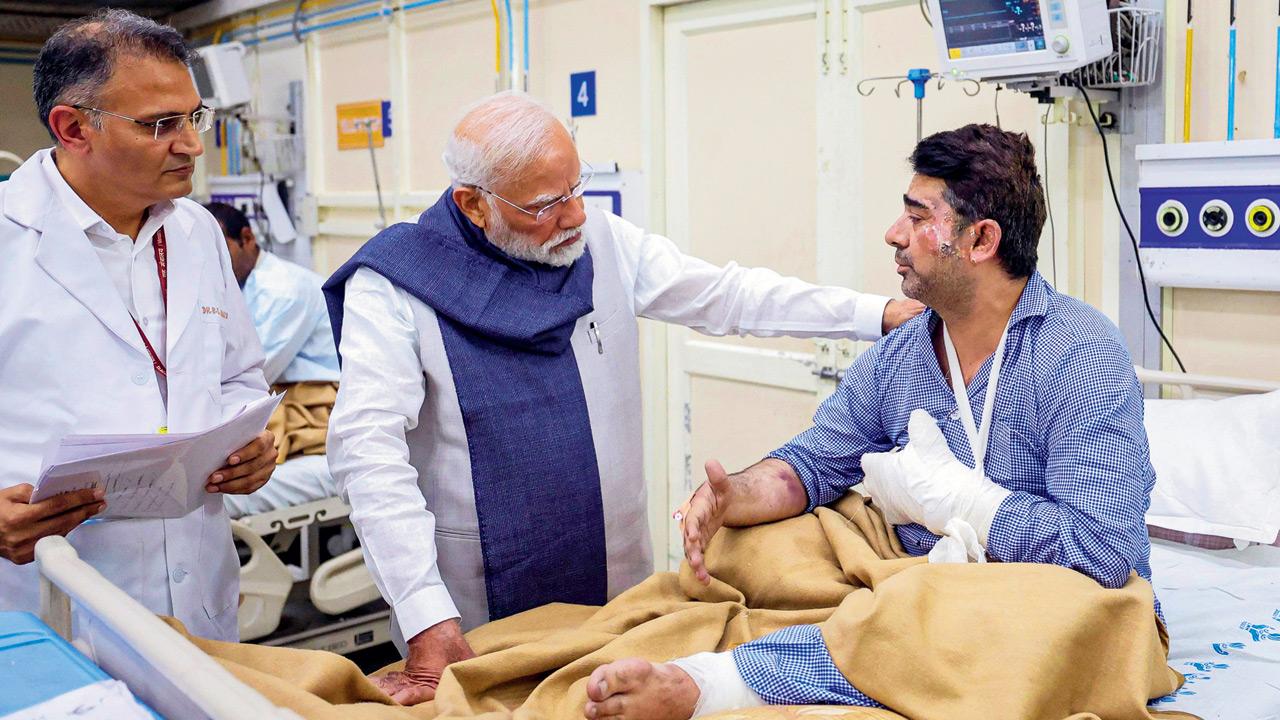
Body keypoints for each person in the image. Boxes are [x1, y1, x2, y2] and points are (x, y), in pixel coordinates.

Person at [323, 91, 925, 705]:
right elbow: (367, 454)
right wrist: (426, 615)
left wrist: (875, 313)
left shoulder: (599, 243)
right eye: (546, 204)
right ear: (473, 205)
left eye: (576, 187)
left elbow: (727, 295)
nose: (575, 214)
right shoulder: (395, 284)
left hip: (612, 570)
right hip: (468, 598)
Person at [583, 124, 1159, 720]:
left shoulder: (1080, 353)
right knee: (762, 547)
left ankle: (715, 683)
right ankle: (864, 639)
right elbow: (814, 463)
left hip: (1037, 598)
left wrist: (967, 503)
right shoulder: (903, 353)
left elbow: (1106, 551)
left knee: (957, 612)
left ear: (981, 239)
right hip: (915, 580)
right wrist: (732, 496)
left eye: (916, 218)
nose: (894, 234)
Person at [0, 9, 274, 642]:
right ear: (73, 128)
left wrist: (248, 448)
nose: (192, 144)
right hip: (47, 598)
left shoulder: (197, 232)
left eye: (193, 117)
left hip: (198, 590)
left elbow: (238, 374)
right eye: (160, 125)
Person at [206, 202, 340, 518]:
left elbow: (252, 374)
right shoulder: (233, 285)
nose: (211, 264)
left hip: (311, 403)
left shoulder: (284, 291)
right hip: (275, 398)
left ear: (247, 238)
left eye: (219, 251)